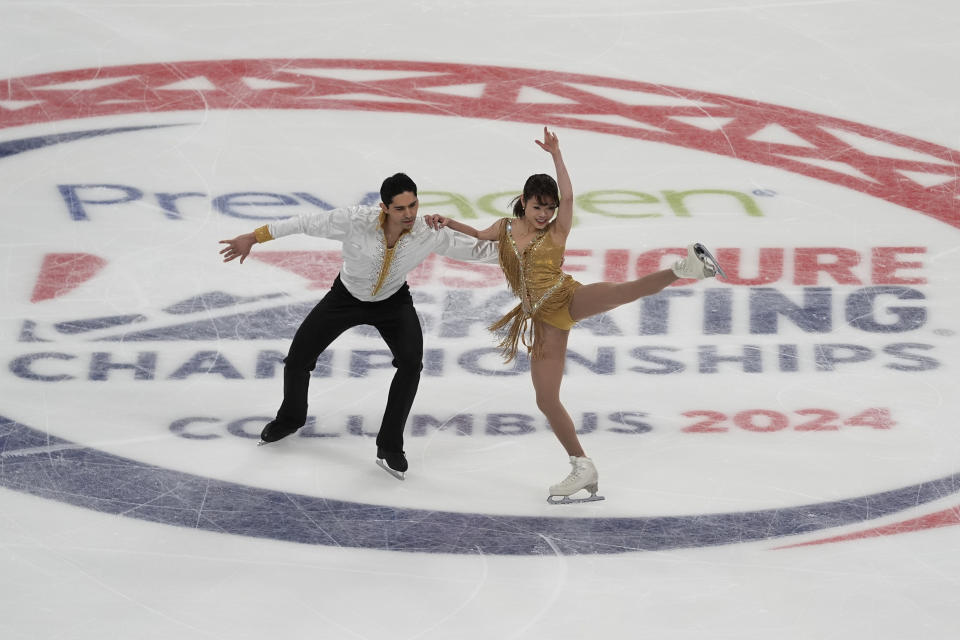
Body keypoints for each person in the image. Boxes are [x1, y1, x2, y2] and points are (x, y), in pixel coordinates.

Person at [425, 127, 724, 503]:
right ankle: (582, 465)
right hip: (541, 319)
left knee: (620, 292)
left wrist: (556, 155)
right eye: (539, 207)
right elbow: (479, 235)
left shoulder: (557, 231)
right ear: (524, 202)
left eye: (549, 208)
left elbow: (568, 194)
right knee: (546, 399)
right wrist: (448, 222)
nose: (545, 213)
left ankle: (684, 269)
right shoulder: (504, 228)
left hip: (565, 298)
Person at [219, 173, 499, 480]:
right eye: (400, 208)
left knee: (411, 363)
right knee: (298, 359)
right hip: (345, 298)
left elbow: (475, 251)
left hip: (393, 303)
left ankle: (390, 446)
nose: (409, 214)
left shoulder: (427, 231)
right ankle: (290, 418)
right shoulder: (353, 220)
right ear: (384, 207)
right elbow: (302, 222)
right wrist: (254, 237)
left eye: (413, 205)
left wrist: (523, 255)